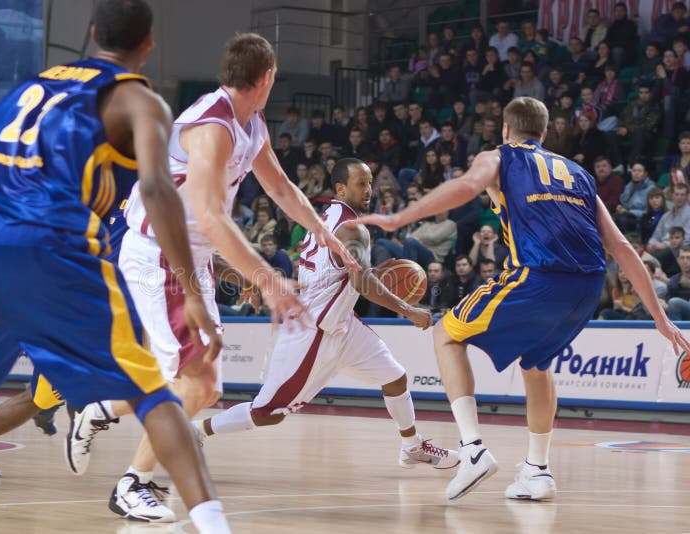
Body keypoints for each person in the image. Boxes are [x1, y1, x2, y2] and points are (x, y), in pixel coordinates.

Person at [0, 2, 234, 532]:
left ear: (94, 33)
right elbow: (158, 187)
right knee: (155, 394)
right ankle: (208, 523)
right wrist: (191, 290)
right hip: (46, 240)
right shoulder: (139, 99)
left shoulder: (32, 86)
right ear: (148, 45)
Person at [67, 32, 358, 521]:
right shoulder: (212, 126)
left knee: (203, 387)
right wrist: (267, 281)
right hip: (160, 252)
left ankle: (100, 409)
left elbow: (283, 189)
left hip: (190, 257)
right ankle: (131, 483)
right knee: (195, 378)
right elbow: (210, 217)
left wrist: (328, 234)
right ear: (266, 78)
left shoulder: (252, 123)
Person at [352, 96, 690, 502]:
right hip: (587, 286)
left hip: (538, 273)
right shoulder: (578, 172)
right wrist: (659, 316)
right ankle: (538, 471)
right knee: (536, 364)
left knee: (445, 333)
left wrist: (398, 218)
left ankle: (473, 448)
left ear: (506, 131)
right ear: (545, 133)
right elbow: (620, 245)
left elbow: (465, 186)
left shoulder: (500, 156)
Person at [193, 158, 458, 470]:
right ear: (341, 188)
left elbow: (351, 275)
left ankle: (412, 446)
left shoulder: (327, 215)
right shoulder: (351, 230)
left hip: (342, 324)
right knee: (268, 414)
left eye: (371, 182)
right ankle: (197, 431)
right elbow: (362, 281)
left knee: (395, 377)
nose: (369, 190)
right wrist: (406, 309)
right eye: (361, 183)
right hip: (314, 331)